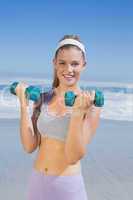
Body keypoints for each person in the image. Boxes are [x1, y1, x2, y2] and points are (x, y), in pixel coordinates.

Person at [15, 34, 102, 200]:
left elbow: (73, 156)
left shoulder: (90, 105)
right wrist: (23, 104)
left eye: (75, 63)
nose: (68, 69)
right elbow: (29, 146)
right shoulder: (43, 98)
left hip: (67, 187)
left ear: (84, 65)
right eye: (62, 63)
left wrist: (77, 113)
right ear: (54, 63)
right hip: (37, 183)